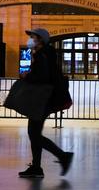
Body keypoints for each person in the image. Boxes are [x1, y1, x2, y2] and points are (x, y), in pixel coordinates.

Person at [18, 28, 74, 179]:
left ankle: (62, 157)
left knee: (34, 133)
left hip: (43, 100)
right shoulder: (44, 54)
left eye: (32, 36)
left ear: (40, 39)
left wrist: (27, 76)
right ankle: (37, 166)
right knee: (34, 133)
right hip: (44, 99)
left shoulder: (43, 55)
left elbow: (42, 77)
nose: (30, 39)